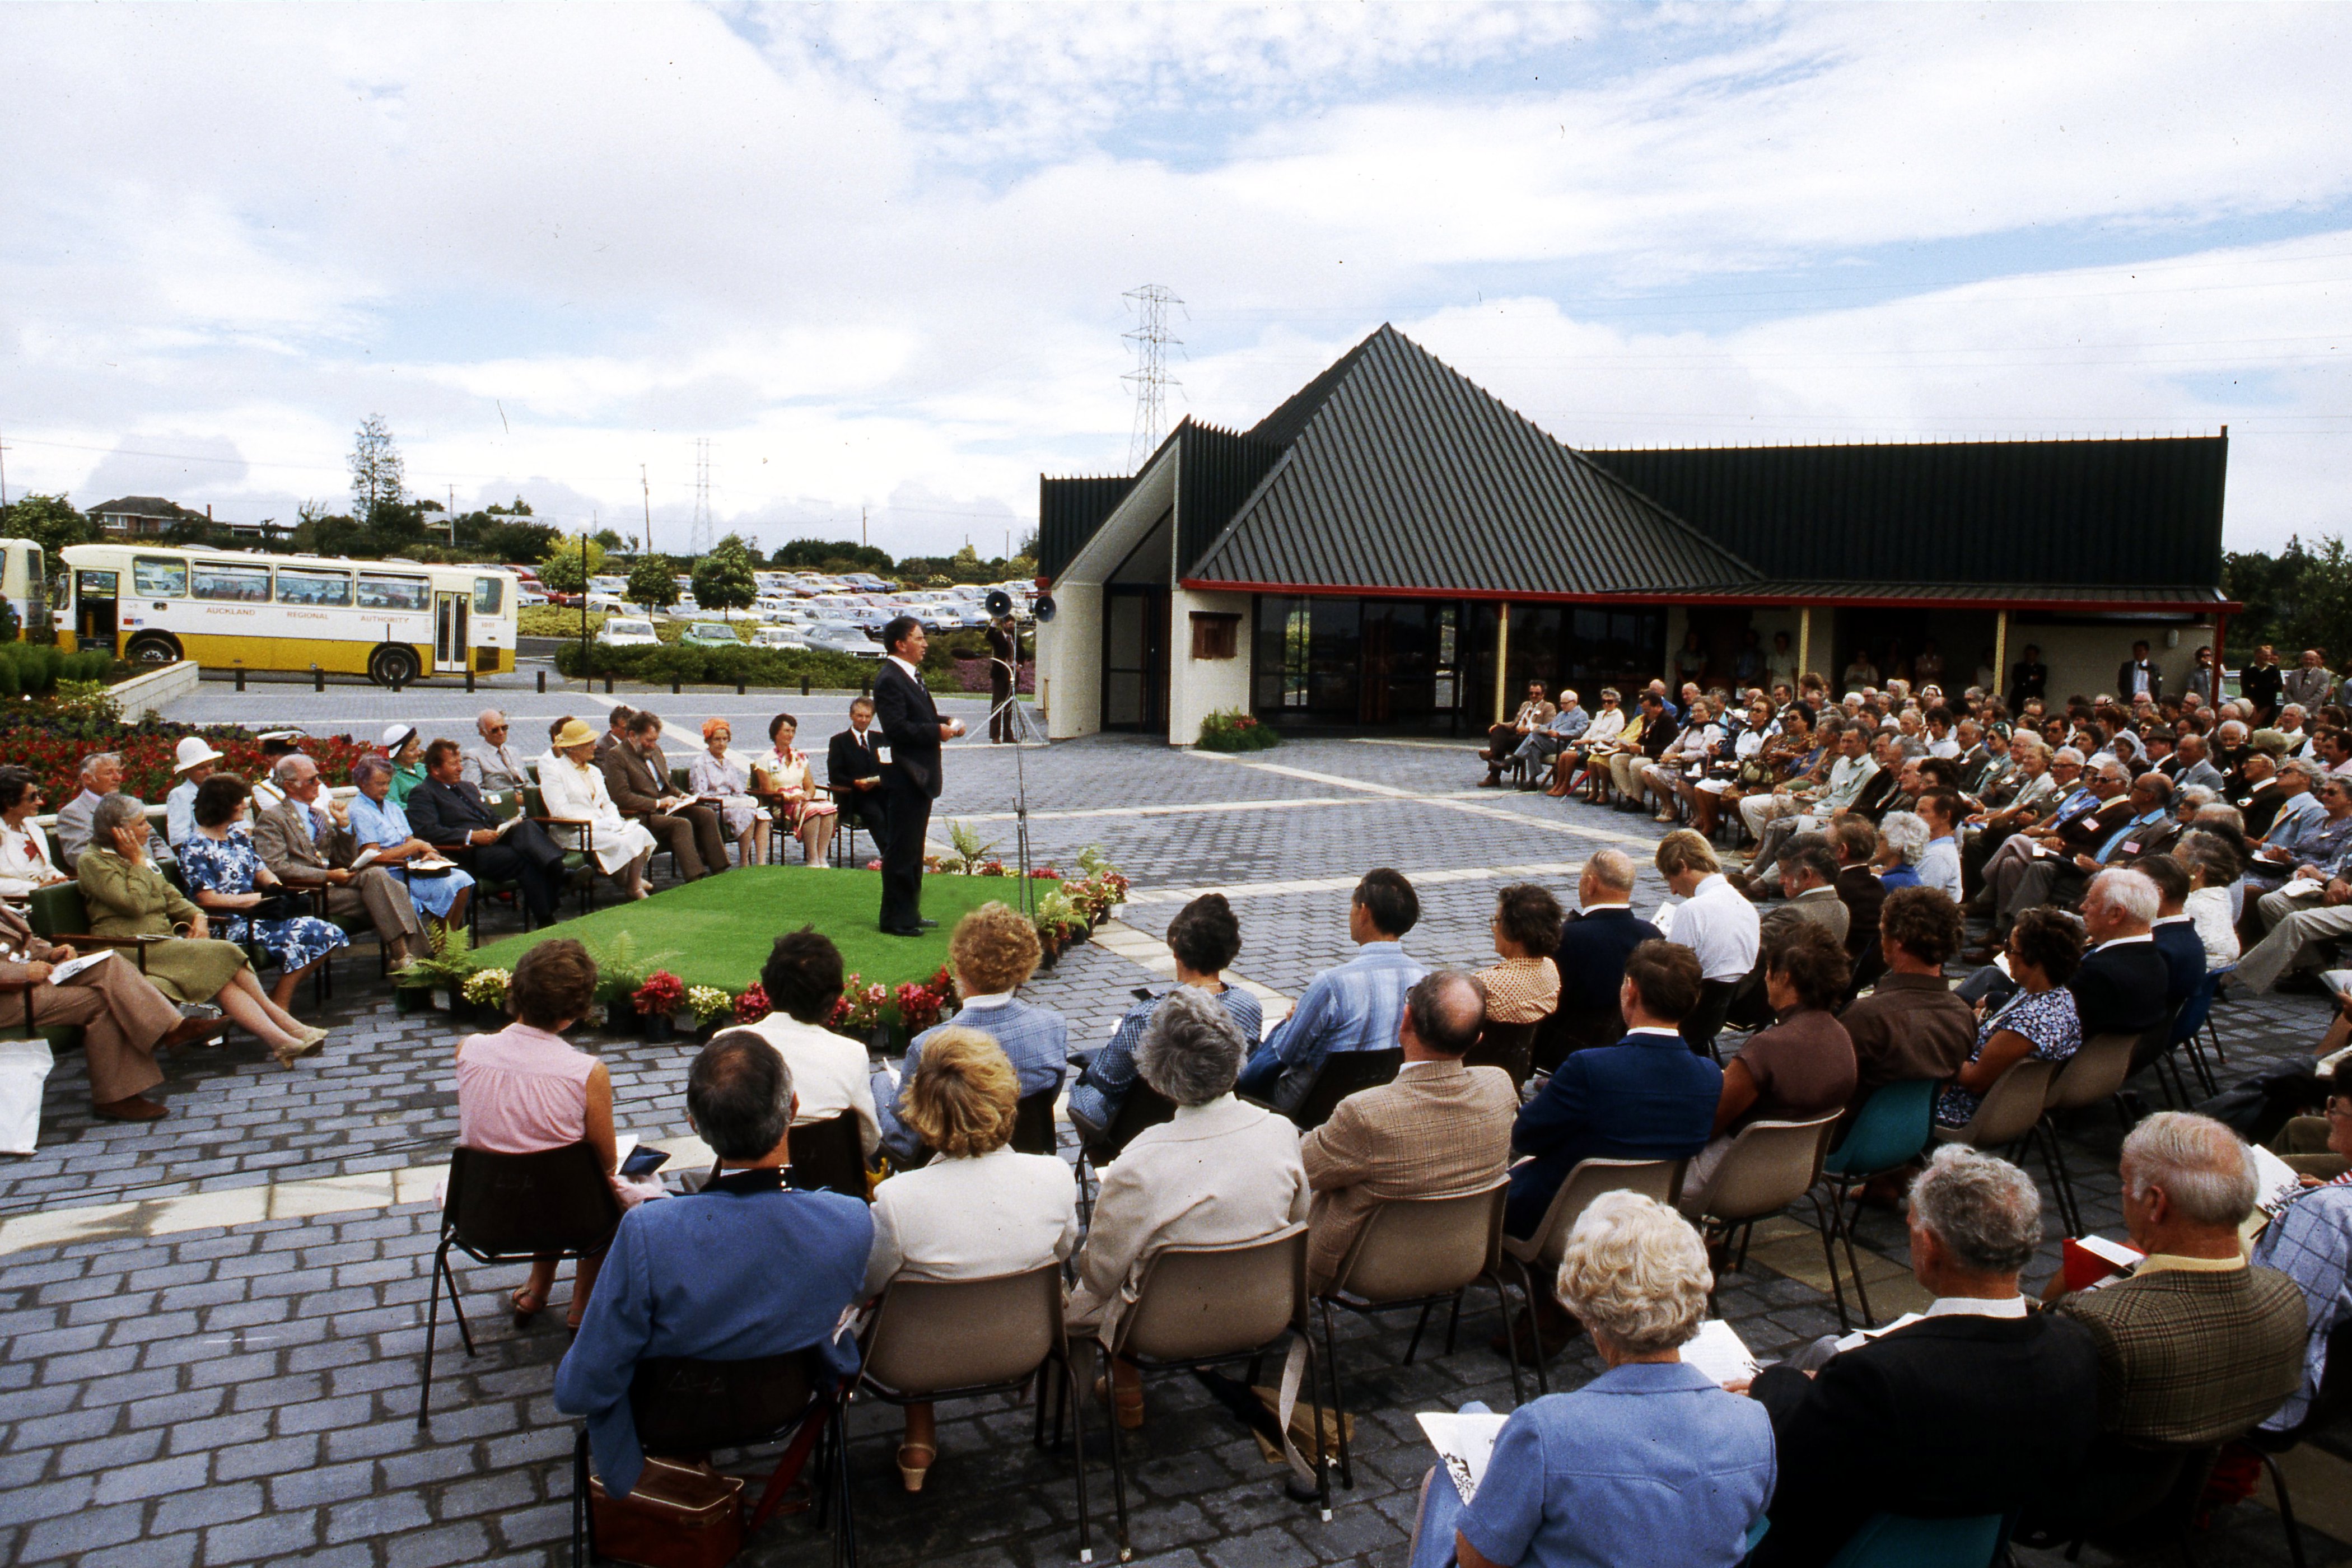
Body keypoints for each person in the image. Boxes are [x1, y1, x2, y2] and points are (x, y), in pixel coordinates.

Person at [1745, 1146, 2098, 1568]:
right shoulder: (2075, 1347)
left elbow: (1789, 1491)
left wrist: (1778, 1383)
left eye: (1912, 1227)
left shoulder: (1878, 1377)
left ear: (1930, 1247)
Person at [554, 1034, 872, 1499]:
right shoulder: (850, 1220)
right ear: (793, 1109)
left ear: (695, 1126)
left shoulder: (650, 1232)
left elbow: (581, 1386)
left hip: (670, 1413)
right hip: (788, 1403)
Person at [1407, 1193, 1773, 1568]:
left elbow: (1477, 1563)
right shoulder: (1754, 1424)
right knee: (1473, 1414)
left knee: (1459, 1449)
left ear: (1590, 1315)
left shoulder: (1546, 1429)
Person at [1066, 986, 1308, 1429]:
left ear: (1156, 1079)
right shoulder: (1282, 1131)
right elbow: (1297, 1222)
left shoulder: (1139, 1159)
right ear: (1236, 1059)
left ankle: (1126, 1393)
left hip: (1161, 1327)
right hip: (1262, 1310)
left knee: (1097, 1287)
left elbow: (1100, 1276)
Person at [861, 1027, 1077, 1490]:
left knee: (904, 1295)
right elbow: (1062, 1254)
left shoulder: (898, 1199)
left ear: (921, 1110)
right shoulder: (1055, 1176)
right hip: (1024, 1344)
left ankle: (919, 1438)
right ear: (1006, 1096)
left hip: (913, 1358)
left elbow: (867, 1286)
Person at [2034, 1113, 2308, 1449]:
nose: (2122, 1192)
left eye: (2124, 1183)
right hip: (2198, 1475)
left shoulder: (2103, 1324)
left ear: (2154, 1203)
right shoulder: (2285, 1295)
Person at [1502, 941, 1723, 1358]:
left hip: (1556, 1220)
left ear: (1631, 992)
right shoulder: (1708, 1074)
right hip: (1646, 1217)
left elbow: (1525, 1137)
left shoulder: (1590, 1068)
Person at [455, 940, 662, 1331]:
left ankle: (538, 1288)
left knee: (546, 1168)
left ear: (516, 991)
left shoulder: (468, 1050)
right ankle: (582, 1304)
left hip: (482, 1212)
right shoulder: (585, 1071)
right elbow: (604, 1162)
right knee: (591, 1186)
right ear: (575, 1012)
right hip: (564, 1212)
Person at [1299, 970, 1518, 1292]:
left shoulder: (1367, 1113)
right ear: (1477, 1039)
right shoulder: (1499, 1086)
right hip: (1461, 1260)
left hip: (1362, 1270)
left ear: (1405, 1020)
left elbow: (1300, 1170)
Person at [74, 793, 323, 1067]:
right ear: (119, 832)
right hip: (128, 948)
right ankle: (288, 1027)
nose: (149, 828)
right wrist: (136, 863)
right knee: (225, 952)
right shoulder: (94, 861)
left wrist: (198, 917)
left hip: (158, 944)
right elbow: (132, 905)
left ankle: (282, 1040)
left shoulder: (136, 858)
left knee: (223, 976)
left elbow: (172, 897)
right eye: (142, 823)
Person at [874, 902, 1066, 1167]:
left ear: (960, 970)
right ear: (1024, 967)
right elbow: (1048, 1098)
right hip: (1026, 1153)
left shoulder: (929, 1045)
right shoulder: (1053, 1025)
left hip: (943, 1161)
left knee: (879, 1086)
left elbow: (906, 1122)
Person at [0, 895, 226, 1121]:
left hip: (32, 986)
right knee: (105, 999)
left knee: (110, 964)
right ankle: (117, 1095)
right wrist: (24, 973)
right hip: (10, 997)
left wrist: (51, 953)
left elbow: (24, 943)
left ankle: (174, 1028)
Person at [1681, 929, 1856, 1216]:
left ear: (1784, 977)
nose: (1764, 977)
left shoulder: (1767, 1048)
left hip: (1731, 1184)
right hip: (1795, 1177)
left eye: (1768, 969)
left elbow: (1703, 1126)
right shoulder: (1842, 1037)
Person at [1068, 893, 1259, 1140]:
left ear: (1177, 951)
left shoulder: (1147, 1015)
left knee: (1083, 1089)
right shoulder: (1248, 1005)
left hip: (1146, 1124)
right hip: (1216, 1114)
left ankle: (1103, 1166)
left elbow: (1108, 1081)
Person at [1235, 869, 1426, 1113]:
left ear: (1364, 912)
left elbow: (1289, 1054)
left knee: (1280, 1035)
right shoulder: (1425, 979)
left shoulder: (1333, 983)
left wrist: (1294, 1023)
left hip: (1315, 1105)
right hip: (1383, 1099)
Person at [178, 774, 351, 1011]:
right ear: (223, 806)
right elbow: (207, 898)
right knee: (302, 936)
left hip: (258, 914)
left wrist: (277, 889)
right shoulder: (195, 848)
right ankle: (281, 1005)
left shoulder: (237, 837)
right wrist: (261, 898)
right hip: (227, 922)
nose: (246, 804)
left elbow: (260, 869)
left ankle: (278, 997)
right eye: (240, 801)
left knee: (329, 933)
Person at [251, 753, 427, 969]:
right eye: (311, 780)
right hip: (308, 892)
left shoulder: (319, 815)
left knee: (379, 876)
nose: (319, 784)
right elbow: (277, 867)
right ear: (290, 786)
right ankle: (410, 958)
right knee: (392, 892)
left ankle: (404, 960)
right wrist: (326, 876)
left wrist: (344, 827)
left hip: (334, 886)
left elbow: (343, 859)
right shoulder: (273, 818)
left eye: (319, 777)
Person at [2251, 1061, 2352, 1434]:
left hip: (2273, 1395)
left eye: (2336, 1110)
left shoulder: (2327, 1213)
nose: (2330, 1118)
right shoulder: (2331, 1204)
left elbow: (2275, 1324)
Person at [740, 927, 881, 1159]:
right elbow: (868, 1142)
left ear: (767, 987)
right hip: (826, 1185)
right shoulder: (851, 1053)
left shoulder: (727, 1044)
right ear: (833, 999)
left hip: (742, 1184)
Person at [1937, 908, 2083, 1129]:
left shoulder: (2029, 1024)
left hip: (1963, 1109)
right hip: (2000, 1103)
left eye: (2011, 948)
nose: (2005, 955)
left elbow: (1975, 1081)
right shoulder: (2057, 996)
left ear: (2035, 961)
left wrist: (1937, 1048)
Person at [405, 739, 570, 927]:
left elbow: (490, 815)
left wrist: (505, 825)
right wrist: (471, 836)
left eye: (460, 763)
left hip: (492, 841)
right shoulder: (423, 793)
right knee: (523, 858)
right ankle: (549, 908)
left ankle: (557, 875)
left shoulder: (467, 787)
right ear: (435, 769)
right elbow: (428, 831)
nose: (460, 768)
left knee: (526, 825)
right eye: (453, 764)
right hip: (466, 852)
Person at [1838, 887, 1975, 1113]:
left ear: (1898, 941)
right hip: (1914, 1137)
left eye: (1883, 933)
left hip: (1846, 1140)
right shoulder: (1964, 1016)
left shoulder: (1865, 1017)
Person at [875, 615, 960, 934]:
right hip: (905, 775)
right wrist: (936, 731)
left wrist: (946, 720)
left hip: (920, 776)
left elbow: (919, 716)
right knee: (901, 848)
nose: (925, 644)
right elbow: (896, 728)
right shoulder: (890, 679)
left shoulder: (910, 676)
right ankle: (895, 918)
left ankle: (910, 912)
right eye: (919, 638)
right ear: (902, 644)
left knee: (914, 847)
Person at [343, 754, 474, 935]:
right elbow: (371, 858)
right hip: (389, 876)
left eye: (388, 783)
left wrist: (427, 854)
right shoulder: (359, 811)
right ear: (363, 783)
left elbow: (411, 842)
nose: (386, 789)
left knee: (461, 879)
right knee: (446, 886)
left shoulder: (392, 807)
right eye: (380, 784)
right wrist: (412, 848)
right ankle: (441, 946)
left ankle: (447, 943)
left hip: (411, 870)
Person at [1729, 836, 1847, 1028]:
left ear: (1807, 875)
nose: (1781, 880)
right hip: (1804, 999)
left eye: (1784, 873)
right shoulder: (1842, 908)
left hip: (1753, 1002)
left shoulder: (1795, 914)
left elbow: (1743, 951)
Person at [1548, 851, 1660, 1048]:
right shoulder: (1653, 934)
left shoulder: (1567, 937)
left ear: (1591, 883)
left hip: (1570, 1045)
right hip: (1631, 1041)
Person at [535, 719, 656, 900]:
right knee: (620, 841)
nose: (595, 747)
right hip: (574, 830)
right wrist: (598, 823)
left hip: (602, 825)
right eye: (589, 744)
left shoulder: (594, 771)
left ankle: (632, 883)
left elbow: (607, 803)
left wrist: (614, 820)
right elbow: (559, 810)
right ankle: (624, 878)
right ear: (574, 748)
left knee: (640, 832)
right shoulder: (554, 772)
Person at [600, 711, 728, 883]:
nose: (653, 745)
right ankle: (695, 878)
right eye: (649, 740)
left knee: (705, 814)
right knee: (681, 824)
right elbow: (622, 797)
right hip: (641, 814)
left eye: (655, 740)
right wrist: (658, 803)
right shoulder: (617, 756)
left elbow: (668, 784)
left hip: (666, 809)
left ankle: (721, 870)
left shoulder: (654, 750)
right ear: (632, 736)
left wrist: (683, 796)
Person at [2068, 867, 2172, 1039]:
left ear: (2116, 914)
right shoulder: (2156, 959)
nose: (2082, 907)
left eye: (2092, 902)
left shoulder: (2096, 973)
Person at [752, 713, 839, 867]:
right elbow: (767, 792)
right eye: (787, 731)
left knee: (828, 808)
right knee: (813, 810)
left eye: (793, 731)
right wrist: (788, 799)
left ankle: (822, 857)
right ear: (776, 733)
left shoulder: (800, 756)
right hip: (780, 803)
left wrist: (807, 795)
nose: (790, 735)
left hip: (801, 800)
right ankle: (813, 858)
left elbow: (810, 785)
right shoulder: (765, 760)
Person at [688, 717, 771, 868]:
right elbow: (701, 795)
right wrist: (736, 803)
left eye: (725, 739)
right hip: (714, 808)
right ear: (708, 741)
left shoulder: (728, 763)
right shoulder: (700, 764)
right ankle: (745, 862)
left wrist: (745, 801)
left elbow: (738, 790)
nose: (721, 744)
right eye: (717, 740)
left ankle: (761, 863)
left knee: (763, 815)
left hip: (733, 803)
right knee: (746, 813)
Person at [1473, 884, 1561, 1025]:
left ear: (1516, 931)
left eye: (1497, 921)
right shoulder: (1550, 968)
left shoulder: (1487, 984)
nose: (1493, 929)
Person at [827, 697, 892, 854]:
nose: (863, 720)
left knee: (900, 809)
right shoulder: (839, 741)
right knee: (875, 814)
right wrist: (856, 783)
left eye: (868, 716)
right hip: (854, 795)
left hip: (880, 791)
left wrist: (880, 780)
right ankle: (890, 855)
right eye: (859, 716)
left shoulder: (881, 739)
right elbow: (835, 775)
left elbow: (890, 767)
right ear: (851, 716)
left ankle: (904, 851)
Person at [0, 768, 67, 898]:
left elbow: (46, 868)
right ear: (9, 802)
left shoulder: (34, 830)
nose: (40, 802)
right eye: (32, 797)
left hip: (44, 900)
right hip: (11, 907)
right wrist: (36, 889)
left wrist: (60, 880)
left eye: (39, 794)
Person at [1478, 679, 1557, 787]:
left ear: (1543, 694)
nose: (1534, 696)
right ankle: (1493, 754)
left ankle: (1494, 775)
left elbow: (1548, 727)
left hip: (1529, 738)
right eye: (1531, 693)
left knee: (1503, 743)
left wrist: (1529, 729)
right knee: (1499, 730)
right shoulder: (1526, 705)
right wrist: (1499, 725)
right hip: (1516, 732)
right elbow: (1514, 723)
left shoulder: (1548, 707)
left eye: (1537, 694)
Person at [52, 750, 122, 869]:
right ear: (87, 778)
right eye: (109, 773)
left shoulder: (128, 804)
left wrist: (163, 861)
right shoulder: (73, 813)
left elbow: (154, 840)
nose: (117, 778)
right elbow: (81, 858)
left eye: (119, 772)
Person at [164, 735, 222, 851]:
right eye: (202, 768)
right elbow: (178, 839)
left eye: (211, 765)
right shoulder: (180, 795)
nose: (209, 772)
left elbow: (243, 826)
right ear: (187, 772)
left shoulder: (222, 790)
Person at [460, 710, 531, 792]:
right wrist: (510, 799)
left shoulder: (514, 752)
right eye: (495, 730)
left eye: (504, 728)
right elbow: (474, 791)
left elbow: (528, 782)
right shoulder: (473, 757)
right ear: (482, 732)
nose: (501, 733)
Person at [985, 612, 1019, 744]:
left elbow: (1021, 652)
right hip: (1000, 673)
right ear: (1003, 625)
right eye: (1009, 624)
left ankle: (1008, 735)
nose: (1011, 627)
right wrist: (995, 622)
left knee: (1009, 706)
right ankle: (995, 735)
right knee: (998, 704)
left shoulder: (1016, 638)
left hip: (1013, 673)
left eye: (1013, 625)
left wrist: (1020, 664)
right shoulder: (998, 637)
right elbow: (988, 636)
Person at [383, 725, 427, 806]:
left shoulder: (423, 768)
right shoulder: (391, 776)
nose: (418, 753)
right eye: (412, 750)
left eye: (417, 748)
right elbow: (393, 805)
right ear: (399, 754)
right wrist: (422, 809)